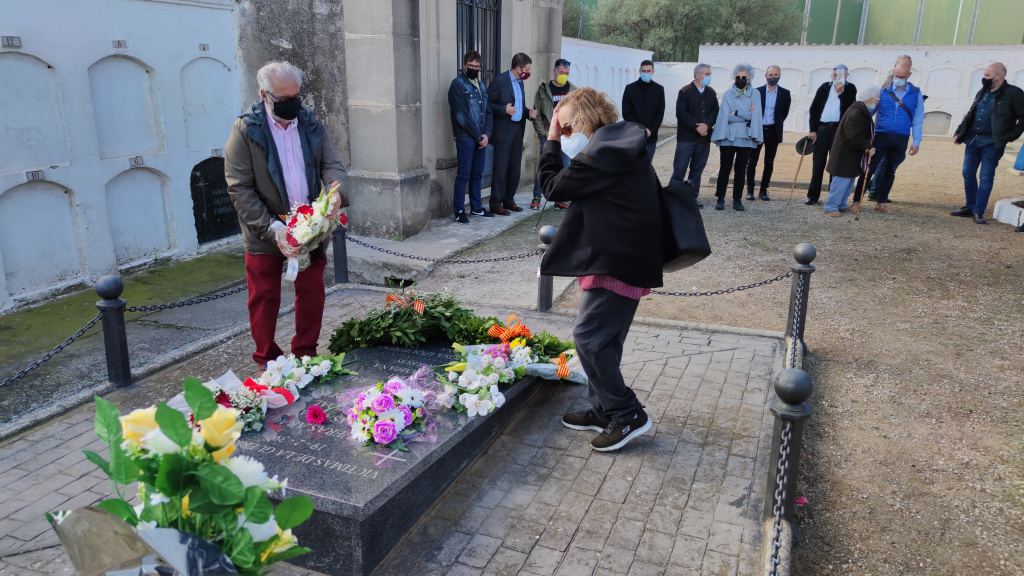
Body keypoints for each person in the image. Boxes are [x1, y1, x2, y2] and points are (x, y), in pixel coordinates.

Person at [537, 87, 661, 452]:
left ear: (586, 119)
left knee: (588, 338)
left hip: (617, 257)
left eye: (570, 127)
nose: (568, 134)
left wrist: (550, 140)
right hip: (624, 252)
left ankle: (627, 413)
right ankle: (603, 407)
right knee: (605, 340)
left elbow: (551, 186)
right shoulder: (619, 141)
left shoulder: (605, 151)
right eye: (565, 130)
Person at [224, 61, 347, 374]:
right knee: (264, 296)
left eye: (297, 97)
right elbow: (240, 189)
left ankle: (305, 354)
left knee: (312, 292)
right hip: (265, 227)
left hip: (309, 225)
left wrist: (334, 191)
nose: (293, 104)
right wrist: (273, 230)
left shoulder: (310, 124)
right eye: (284, 99)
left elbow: (331, 165)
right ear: (264, 95)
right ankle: (268, 360)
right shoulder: (245, 131)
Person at [951, 62, 1024, 224]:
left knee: (985, 177)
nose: (983, 78)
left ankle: (979, 211)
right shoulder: (982, 91)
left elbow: (1022, 118)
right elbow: (971, 113)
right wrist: (959, 131)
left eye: (987, 76)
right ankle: (970, 206)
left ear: (999, 76)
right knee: (967, 173)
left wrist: (1009, 136)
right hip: (973, 140)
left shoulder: (1014, 93)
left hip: (992, 143)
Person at [866, 59, 923, 214]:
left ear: (909, 75)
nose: (898, 78)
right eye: (896, 75)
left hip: (901, 138)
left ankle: (881, 201)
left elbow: (918, 118)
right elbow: (869, 112)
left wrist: (916, 140)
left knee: (890, 171)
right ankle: (857, 200)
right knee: (870, 168)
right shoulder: (883, 91)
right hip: (881, 135)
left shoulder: (916, 93)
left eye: (902, 76)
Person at [488, 53, 538, 215]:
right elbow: (487, 104)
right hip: (503, 131)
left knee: (514, 168)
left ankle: (509, 200)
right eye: (526, 69)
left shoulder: (520, 82)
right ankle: (495, 202)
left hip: (518, 129)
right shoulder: (500, 81)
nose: (528, 72)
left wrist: (527, 112)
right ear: (518, 68)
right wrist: (504, 109)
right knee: (501, 168)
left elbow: (518, 106)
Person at [448, 50, 494, 224]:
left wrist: (487, 134)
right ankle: (459, 210)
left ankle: (476, 208)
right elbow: (461, 115)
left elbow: (488, 112)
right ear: (464, 65)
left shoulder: (481, 86)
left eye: (477, 66)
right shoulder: (458, 85)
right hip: (466, 137)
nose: (474, 69)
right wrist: (478, 136)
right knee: (463, 174)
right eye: (471, 66)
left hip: (481, 138)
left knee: (477, 173)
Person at [710, 63, 762, 211]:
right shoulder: (727, 94)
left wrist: (737, 113)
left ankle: (737, 200)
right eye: (738, 77)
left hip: (746, 138)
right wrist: (747, 115)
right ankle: (720, 198)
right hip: (728, 137)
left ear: (749, 79)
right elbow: (725, 116)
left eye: (743, 77)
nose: (740, 79)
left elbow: (756, 115)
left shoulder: (756, 94)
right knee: (724, 168)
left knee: (740, 170)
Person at [824, 86, 880, 217]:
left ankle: (841, 204)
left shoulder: (860, 110)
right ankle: (830, 206)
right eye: (877, 100)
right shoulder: (857, 112)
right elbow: (854, 135)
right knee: (840, 183)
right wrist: (868, 146)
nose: (877, 103)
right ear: (871, 99)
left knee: (848, 182)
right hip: (844, 156)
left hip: (851, 155)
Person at [805, 65, 857, 205]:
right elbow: (814, 109)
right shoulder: (824, 87)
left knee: (835, 165)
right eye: (835, 75)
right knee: (818, 164)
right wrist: (812, 130)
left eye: (840, 75)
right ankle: (812, 196)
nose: (837, 77)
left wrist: (841, 93)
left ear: (847, 75)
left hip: (838, 131)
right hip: (822, 129)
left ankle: (832, 198)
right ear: (831, 76)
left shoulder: (850, 88)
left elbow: (850, 110)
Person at [669, 64, 719, 208]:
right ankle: (674, 198)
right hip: (686, 138)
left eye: (710, 74)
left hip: (704, 139)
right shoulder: (685, 91)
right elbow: (681, 113)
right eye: (707, 74)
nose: (709, 76)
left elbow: (715, 110)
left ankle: (691, 198)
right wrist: (697, 126)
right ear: (698, 75)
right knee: (680, 169)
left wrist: (707, 125)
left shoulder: (711, 92)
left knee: (697, 171)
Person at [530, 58, 576, 210]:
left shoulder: (573, 91)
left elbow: (579, 113)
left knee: (564, 166)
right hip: (548, 135)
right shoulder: (544, 89)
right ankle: (537, 196)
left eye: (567, 73)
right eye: (561, 72)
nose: (564, 75)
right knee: (544, 165)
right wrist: (543, 133)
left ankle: (560, 198)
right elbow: (536, 113)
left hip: (566, 136)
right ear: (555, 71)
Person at [745, 65, 791, 201]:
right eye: (770, 75)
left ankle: (764, 190)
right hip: (758, 130)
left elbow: (784, 112)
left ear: (780, 75)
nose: (773, 77)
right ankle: (750, 190)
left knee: (769, 162)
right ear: (766, 76)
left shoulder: (785, 93)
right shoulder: (756, 92)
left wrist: (776, 122)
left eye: (775, 75)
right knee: (752, 161)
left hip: (773, 131)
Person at [621, 60, 666, 162]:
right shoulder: (630, 89)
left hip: (651, 136)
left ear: (653, 72)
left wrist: (650, 130)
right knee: (632, 165)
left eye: (648, 71)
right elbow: (626, 113)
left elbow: (660, 113)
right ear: (639, 71)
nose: (646, 73)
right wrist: (639, 130)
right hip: (633, 136)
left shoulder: (659, 89)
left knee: (647, 166)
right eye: (644, 71)